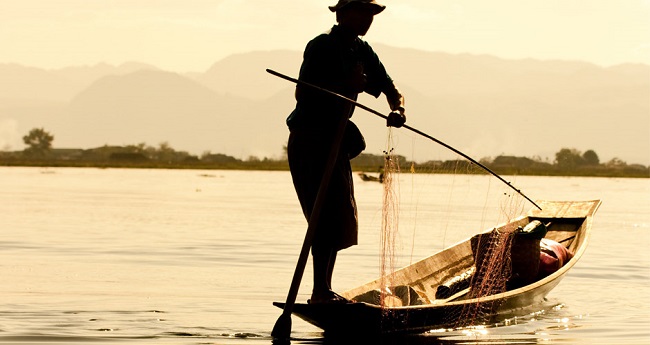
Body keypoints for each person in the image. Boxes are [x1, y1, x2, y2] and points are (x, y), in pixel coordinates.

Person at [286, 0, 406, 304]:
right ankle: (319, 292)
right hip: (311, 137)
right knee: (322, 216)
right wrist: (347, 83)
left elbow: (392, 90)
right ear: (342, 15)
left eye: (370, 15)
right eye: (360, 13)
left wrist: (398, 109)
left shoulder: (363, 51)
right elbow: (303, 92)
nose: (366, 20)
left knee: (340, 216)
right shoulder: (322, 46)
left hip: (336, 139)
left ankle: (322, 290)